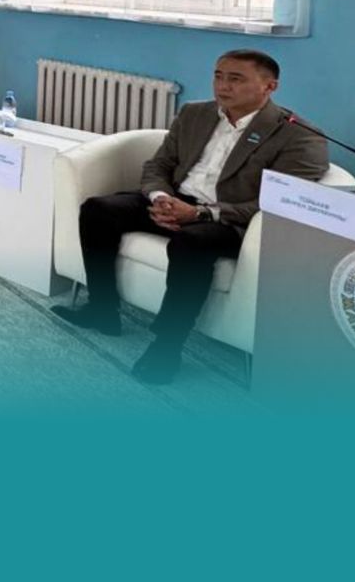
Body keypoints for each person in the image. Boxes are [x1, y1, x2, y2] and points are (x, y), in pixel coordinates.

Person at [53, 50, 328, 384]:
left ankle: (167, 344)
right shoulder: (195, 113)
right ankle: (102, 308)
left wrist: (201, 213)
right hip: (177, 200)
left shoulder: (299, 136)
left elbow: (279, 203)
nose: (223, 86)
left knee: (191, 241)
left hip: (231, 220)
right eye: (218, 76)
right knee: (99, 210)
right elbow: (160, 164)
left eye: (236, 79)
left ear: (269, 86)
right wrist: (160, 197)